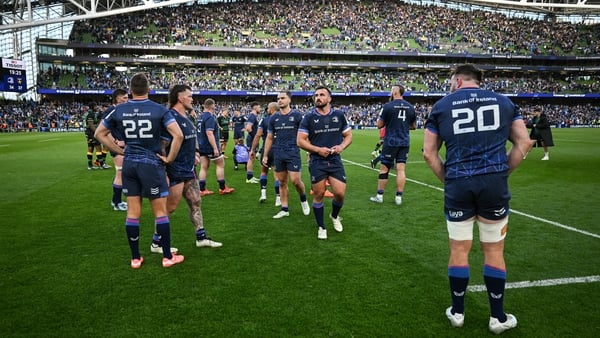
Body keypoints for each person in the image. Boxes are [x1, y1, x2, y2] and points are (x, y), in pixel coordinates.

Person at [422, 64, 532, 334]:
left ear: (458, 80)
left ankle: (457, 313)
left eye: (450, 81)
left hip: (458, 183)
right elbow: (525, 143)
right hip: (494, 183)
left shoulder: (441, 106)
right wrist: (502, 171)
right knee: (494, 250)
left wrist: (449, 180)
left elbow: (428, 153)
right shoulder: (504, 102)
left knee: (459, 249)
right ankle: (497, 318)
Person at [94, 72, 185, 269]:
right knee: (160, 212)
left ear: (130, 91)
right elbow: (178, 135)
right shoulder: (159, 110)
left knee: (133, 213)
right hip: (151, 165)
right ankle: (167, 257)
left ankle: (136, 258)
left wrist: (119, 150)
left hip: (130, 165)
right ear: (149, 90)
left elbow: (99, 133)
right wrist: (169, 158)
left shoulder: (118, 110)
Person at [156, 84, 222, 251]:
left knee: (196, 202)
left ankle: (201, 237)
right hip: (174, 171)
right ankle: (156, 242)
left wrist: (195, 154)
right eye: (190, 96)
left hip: (188, 170)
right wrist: (163, 171)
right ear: (180, 98)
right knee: (169, 208)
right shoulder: (169, 117)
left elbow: (190, 140)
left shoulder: (188, 117)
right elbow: (161, 145)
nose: (193, 99)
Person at [297, 86, 352, 239]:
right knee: (319, 193)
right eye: (316, 95)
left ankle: (334, 216)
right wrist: (317, 150)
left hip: (335, 160)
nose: (318, 98)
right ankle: (321, 227)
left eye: (322, 95)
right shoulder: (308, 118)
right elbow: (300, 141)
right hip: (317, 160)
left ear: (329, 98)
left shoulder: (339, 115)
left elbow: (348, 136)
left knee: (340, 194)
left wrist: (341, 146)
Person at [263, 91, 310, 219]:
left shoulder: (297, 116)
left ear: (289, 99)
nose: (280, 100)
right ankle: (285, 209)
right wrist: (265, 155)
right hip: (278, 153)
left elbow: (305, 135)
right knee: (282, 182)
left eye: (283, 98)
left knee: (295, 181)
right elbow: (269, 137)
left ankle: (303, 199)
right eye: (278, 98)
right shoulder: (274, 118)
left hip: (293, 152)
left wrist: (308, 151)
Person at [369, 85, 416, 205]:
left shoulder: (388, 106)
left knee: (384, 168)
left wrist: (391, 123)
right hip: (404, 141)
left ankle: (380, 195)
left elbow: (379, 125)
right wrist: (403, 125)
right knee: (401, 169)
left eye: (391, 90)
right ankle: (398, 198)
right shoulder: (410, 107)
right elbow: (414, 126)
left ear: (395, 92)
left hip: (391, 141)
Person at [197, 98, 235, 196]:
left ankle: (202, 189)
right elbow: (209, 133)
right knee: (220, 164)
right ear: (212, 105)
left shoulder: (200, 117)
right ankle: (222, 188)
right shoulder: (210, 117)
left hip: (201, 145)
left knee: (204, 167)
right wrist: (215, 148)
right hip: (209, 145)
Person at [101, 88, 129, 211]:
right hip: (118, 147)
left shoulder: (120, 110)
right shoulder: (112, 110)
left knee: (121, 173)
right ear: (117, 98)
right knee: (120, 173)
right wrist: (115, 142)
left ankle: (115, 200)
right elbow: (103, 130)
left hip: (122, 146)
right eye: (125, 98)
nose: (127, 100)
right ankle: (117, 203)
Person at [250, 102, 281, 205]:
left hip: (266, 149)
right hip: (278, 149)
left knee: (264, 172)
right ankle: (278, 198)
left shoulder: (264, 120)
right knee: (277, 176)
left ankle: (263, 194)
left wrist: (253, 149)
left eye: (268, 108)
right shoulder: (282, 119)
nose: (267, 110)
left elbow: (258, 135)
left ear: (271, 109)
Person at [84, 102, 109, 170]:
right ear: (92, 107)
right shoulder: (91, 114)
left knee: (90, 148)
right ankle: (101, 165)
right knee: (98, 148)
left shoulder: (88, 113)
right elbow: (91, 125)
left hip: (88, 132)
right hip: (91, 133)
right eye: (95, 106)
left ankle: (90, 165)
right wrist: (97, 132)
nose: (97, 107)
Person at [244, 102, 261, 183]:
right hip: (252, 140)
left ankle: (250, 176)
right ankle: (249, 178)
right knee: (251, 157)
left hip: (252, 139)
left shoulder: (253, 116)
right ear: (255, 108)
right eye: (259, 107)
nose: (260, 109)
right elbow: (248, 128)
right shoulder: (252, 116)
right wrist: (255, 137)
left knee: (252, 158)